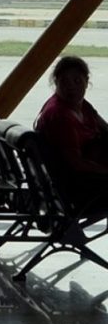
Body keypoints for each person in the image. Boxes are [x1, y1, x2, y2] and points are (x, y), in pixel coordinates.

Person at [34, 56, 108, 209]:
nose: (71, 87)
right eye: (65, 82)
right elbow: (76, 163)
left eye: (77, 81)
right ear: (56, 82)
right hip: (78, 187)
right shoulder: (59, 116)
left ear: (87, 81)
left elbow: (105, 128)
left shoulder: (82, 106)